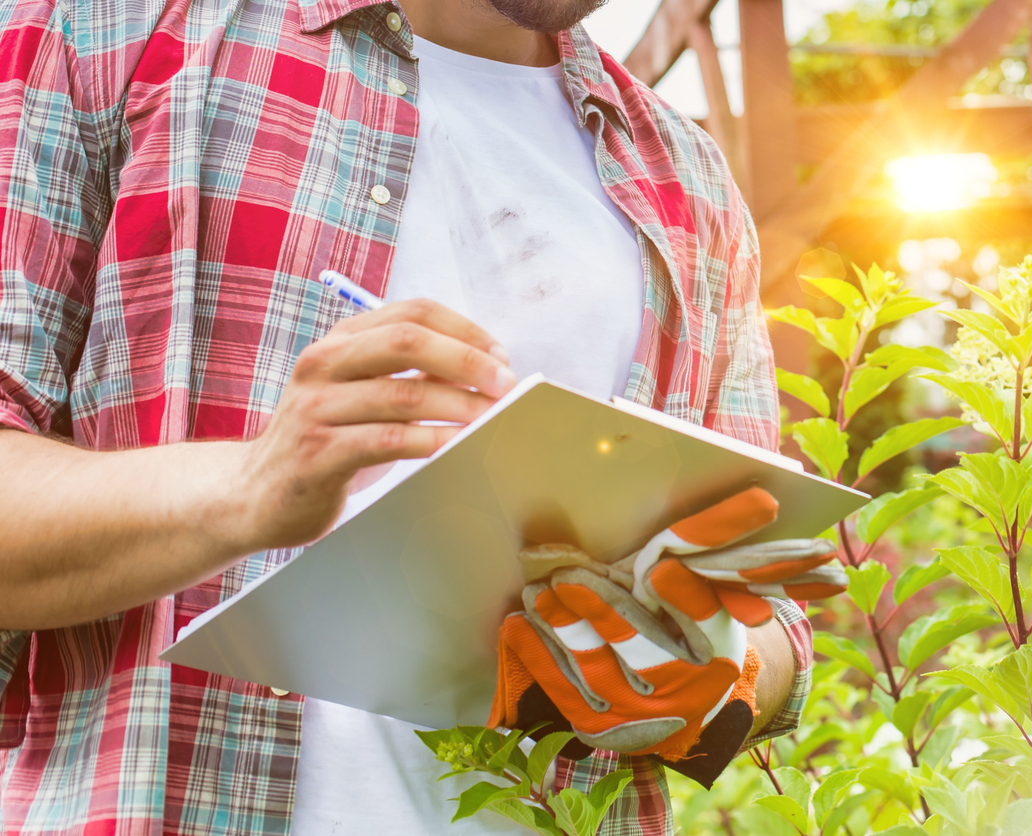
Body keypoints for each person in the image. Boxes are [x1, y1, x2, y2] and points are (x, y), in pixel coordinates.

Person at [0, 0, 816, 833]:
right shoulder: (111, 32)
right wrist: (246, 487)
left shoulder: (690, 181)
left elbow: (769, 616)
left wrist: (726, 673)